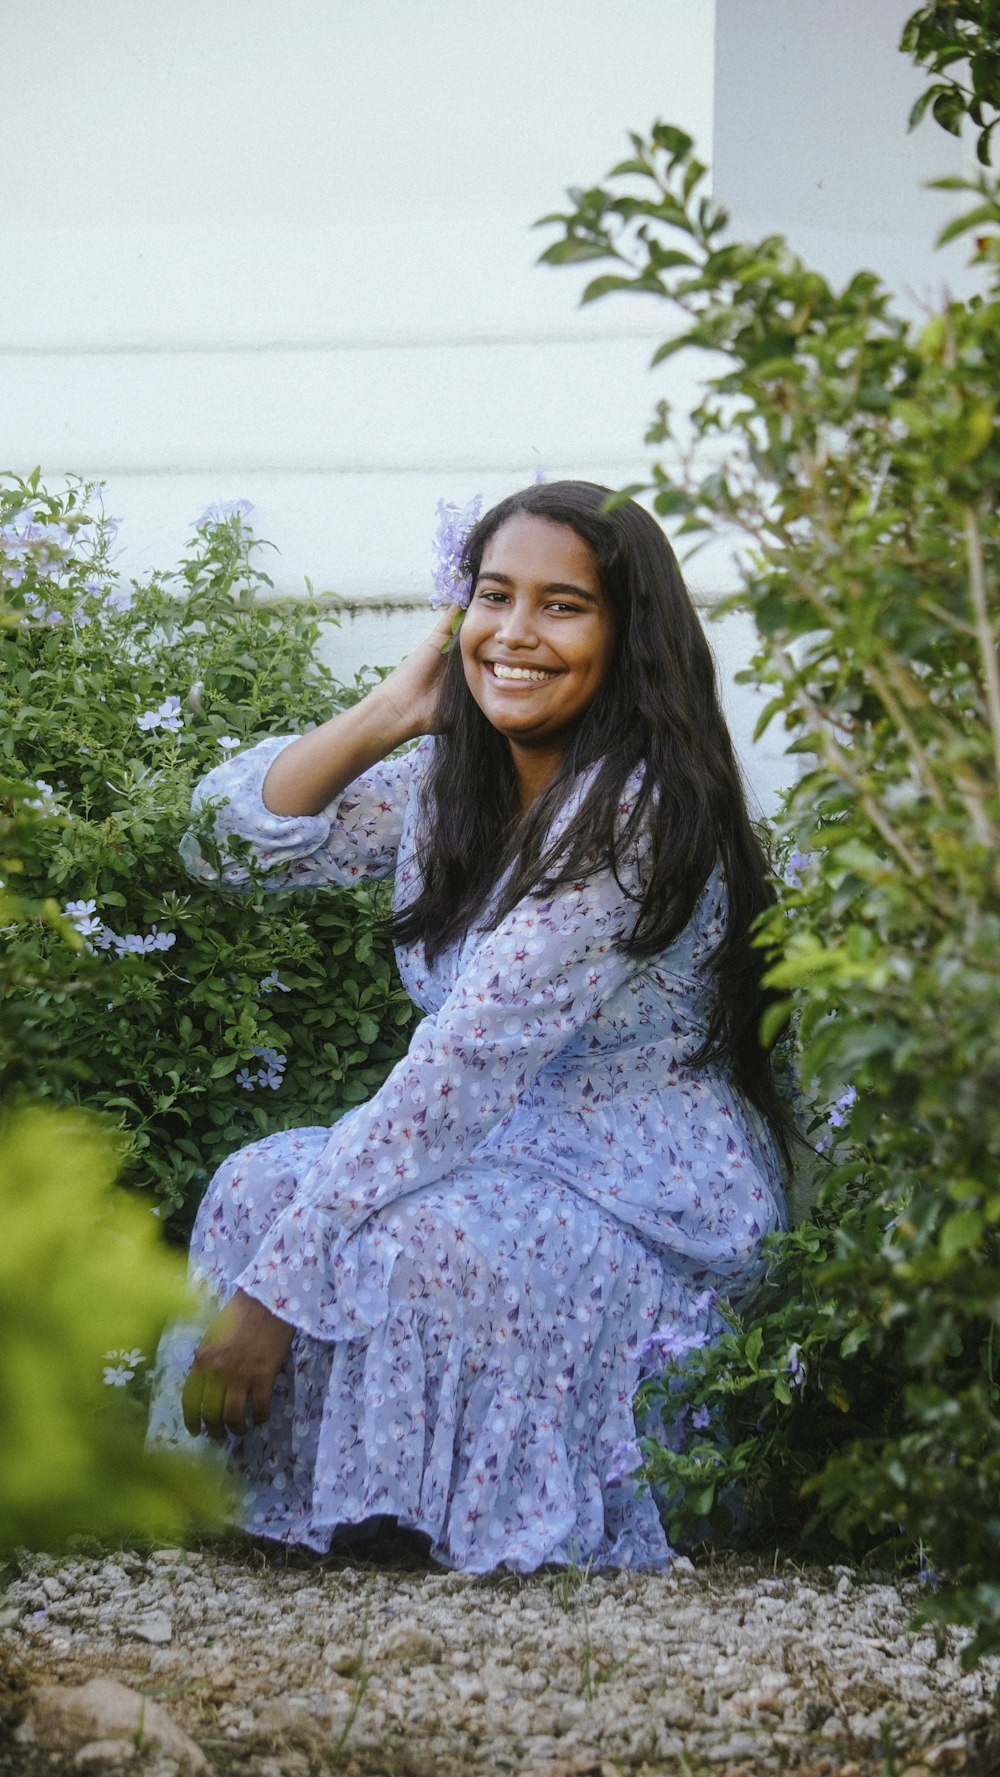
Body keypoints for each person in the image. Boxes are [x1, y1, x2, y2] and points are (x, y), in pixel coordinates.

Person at [149, 480, 791, 1574]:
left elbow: (458, 1067)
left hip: (633, 1190)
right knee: (258, 1184)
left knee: (416, 1244)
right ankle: (276, 1501)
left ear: (628, 634)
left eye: (562, 605)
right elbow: (222, 845)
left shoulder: (635, 815)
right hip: (492, 1151)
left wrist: (271, 1294)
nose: (516, 634)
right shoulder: (455, 782)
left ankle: (403, 1520)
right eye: (494, 596)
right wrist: (391, 714)